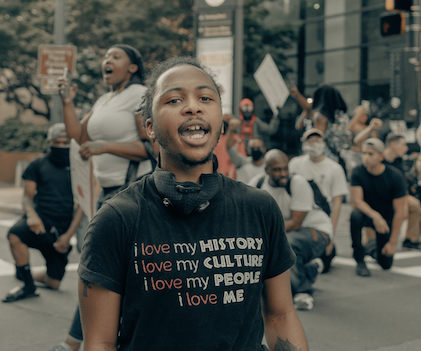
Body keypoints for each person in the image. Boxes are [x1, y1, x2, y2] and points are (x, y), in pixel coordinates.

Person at [78, 56, 306, 351]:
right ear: (149, 128)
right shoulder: (117, 218)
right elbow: (99, 343)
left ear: (221, 123)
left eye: (205, 98)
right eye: (173, 100)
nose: (193, 106)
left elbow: (281, 315)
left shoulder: (259, 208)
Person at [54, 44, 151, 351]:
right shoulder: (104, 99)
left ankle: (74, 342)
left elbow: (152, 147)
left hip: (131, 190)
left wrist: (104, 146)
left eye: (115, 56)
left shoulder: (139, 95)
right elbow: (79, 138)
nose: (107, 61)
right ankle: (80, 341)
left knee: (102, 268)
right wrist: (67, 102)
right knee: (101, 268)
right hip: (103, 191)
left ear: (133, 67)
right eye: (106, 57)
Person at [3, 124, 82, 304]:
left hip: (61, 230)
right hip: (40, 220)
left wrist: (68, 236)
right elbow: (27, 197)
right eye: (57, 142)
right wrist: (31, 215)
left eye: (66, 142)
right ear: (49, 142)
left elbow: (82, 206)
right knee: (15, 234)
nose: (62, 146)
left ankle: (25, 272)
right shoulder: (38, 164)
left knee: (53, 283)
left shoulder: (79, 167)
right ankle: (28, 285)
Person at [255, 150, 331, 311]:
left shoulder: (297, 183)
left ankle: (303, 292)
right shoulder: (257, 184)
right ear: (267, 170)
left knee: (288, 244)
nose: (283, 174)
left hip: (317, 230)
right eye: (277, 169)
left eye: (285, 168)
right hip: (286, 233)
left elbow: (295, 223)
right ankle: (310, 269)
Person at [288, 128, 349, 273]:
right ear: (304, 144)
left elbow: (337, 203)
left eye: (317, 140)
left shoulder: (335, 168)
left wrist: (331, 235)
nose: (314, 144)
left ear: (324, 143)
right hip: (299, 213)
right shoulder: (296, 164)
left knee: (327, 259)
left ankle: (315, 264)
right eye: (310, 141)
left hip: (322, 217)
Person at [349, 138, 408, 277]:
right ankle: (359, 258)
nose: (366, 157)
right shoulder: (357, 172)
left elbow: (400, 212)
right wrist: (375, 215)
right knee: (355, 215)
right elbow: (357, 201)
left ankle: (370, 246)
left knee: (385, 264)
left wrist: (393, 243)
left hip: (386, 220)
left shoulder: (395, 176)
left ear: (381, 156)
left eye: (371, 154)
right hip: (368, 215)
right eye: (364, 153)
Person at [292, 85, 353, 169]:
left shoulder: (320, 117)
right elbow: (299, 124)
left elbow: (316, 138)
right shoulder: (340, 116)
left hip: (321, 159)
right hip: (336, 158)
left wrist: (298, 95)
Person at [226, 117, 267, 186]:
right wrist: (230, 130)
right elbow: (229, 147)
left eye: (258, 147)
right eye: (253, 148)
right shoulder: (242, 162)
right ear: (248, 150)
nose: (256, 150)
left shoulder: (267, 166)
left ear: (264, 149)